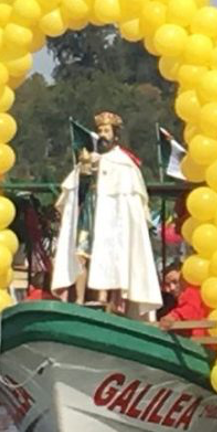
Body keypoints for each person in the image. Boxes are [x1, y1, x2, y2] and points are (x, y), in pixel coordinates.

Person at [50, 111, 163, 319]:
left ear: (115, 135)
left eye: (106, 131)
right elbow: (75, 193)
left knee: (112, 254)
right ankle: (79, 299)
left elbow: (131, 207)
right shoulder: (89, 159)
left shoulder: (124, 164)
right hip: (90, 213)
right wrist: (84, 172)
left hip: (113, 224)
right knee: (81, 255)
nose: (102, 134)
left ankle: (107, 298)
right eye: (100, 130)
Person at [157, 271, 208, 337]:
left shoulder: (192, 291)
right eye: (168, 284)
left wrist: (173, 316)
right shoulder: (176, 299)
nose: (171, 288)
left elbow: (190, 309)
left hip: (200, 342)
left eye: (175, 282)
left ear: (185, 281)